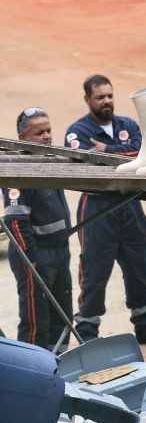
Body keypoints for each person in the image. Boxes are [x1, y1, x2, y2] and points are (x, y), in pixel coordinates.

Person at [65, 74, 146, 346]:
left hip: (129, 204)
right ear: (88, 99)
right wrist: (124, 153)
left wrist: (109, 150)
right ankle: (87, 331)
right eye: (100, 97)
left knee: (138, 267)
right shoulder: (77, 132)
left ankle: (145, 325)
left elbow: (144, 154)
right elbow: (92, 162)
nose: (107, 101)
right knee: (94, 271)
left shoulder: (129, 125)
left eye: (110, 96)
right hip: (97, 207)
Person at [3, 107, 72, 352]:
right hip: (34, 256)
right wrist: (30, 261)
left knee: (62, 315)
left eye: (49, 130)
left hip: (59, 252)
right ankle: (34, 369)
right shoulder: (17, 168)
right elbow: (15, 223)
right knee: (36, 321)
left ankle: (58, 365)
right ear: (23, 138)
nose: (46, 136)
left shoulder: (49, 160)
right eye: (39, 133)